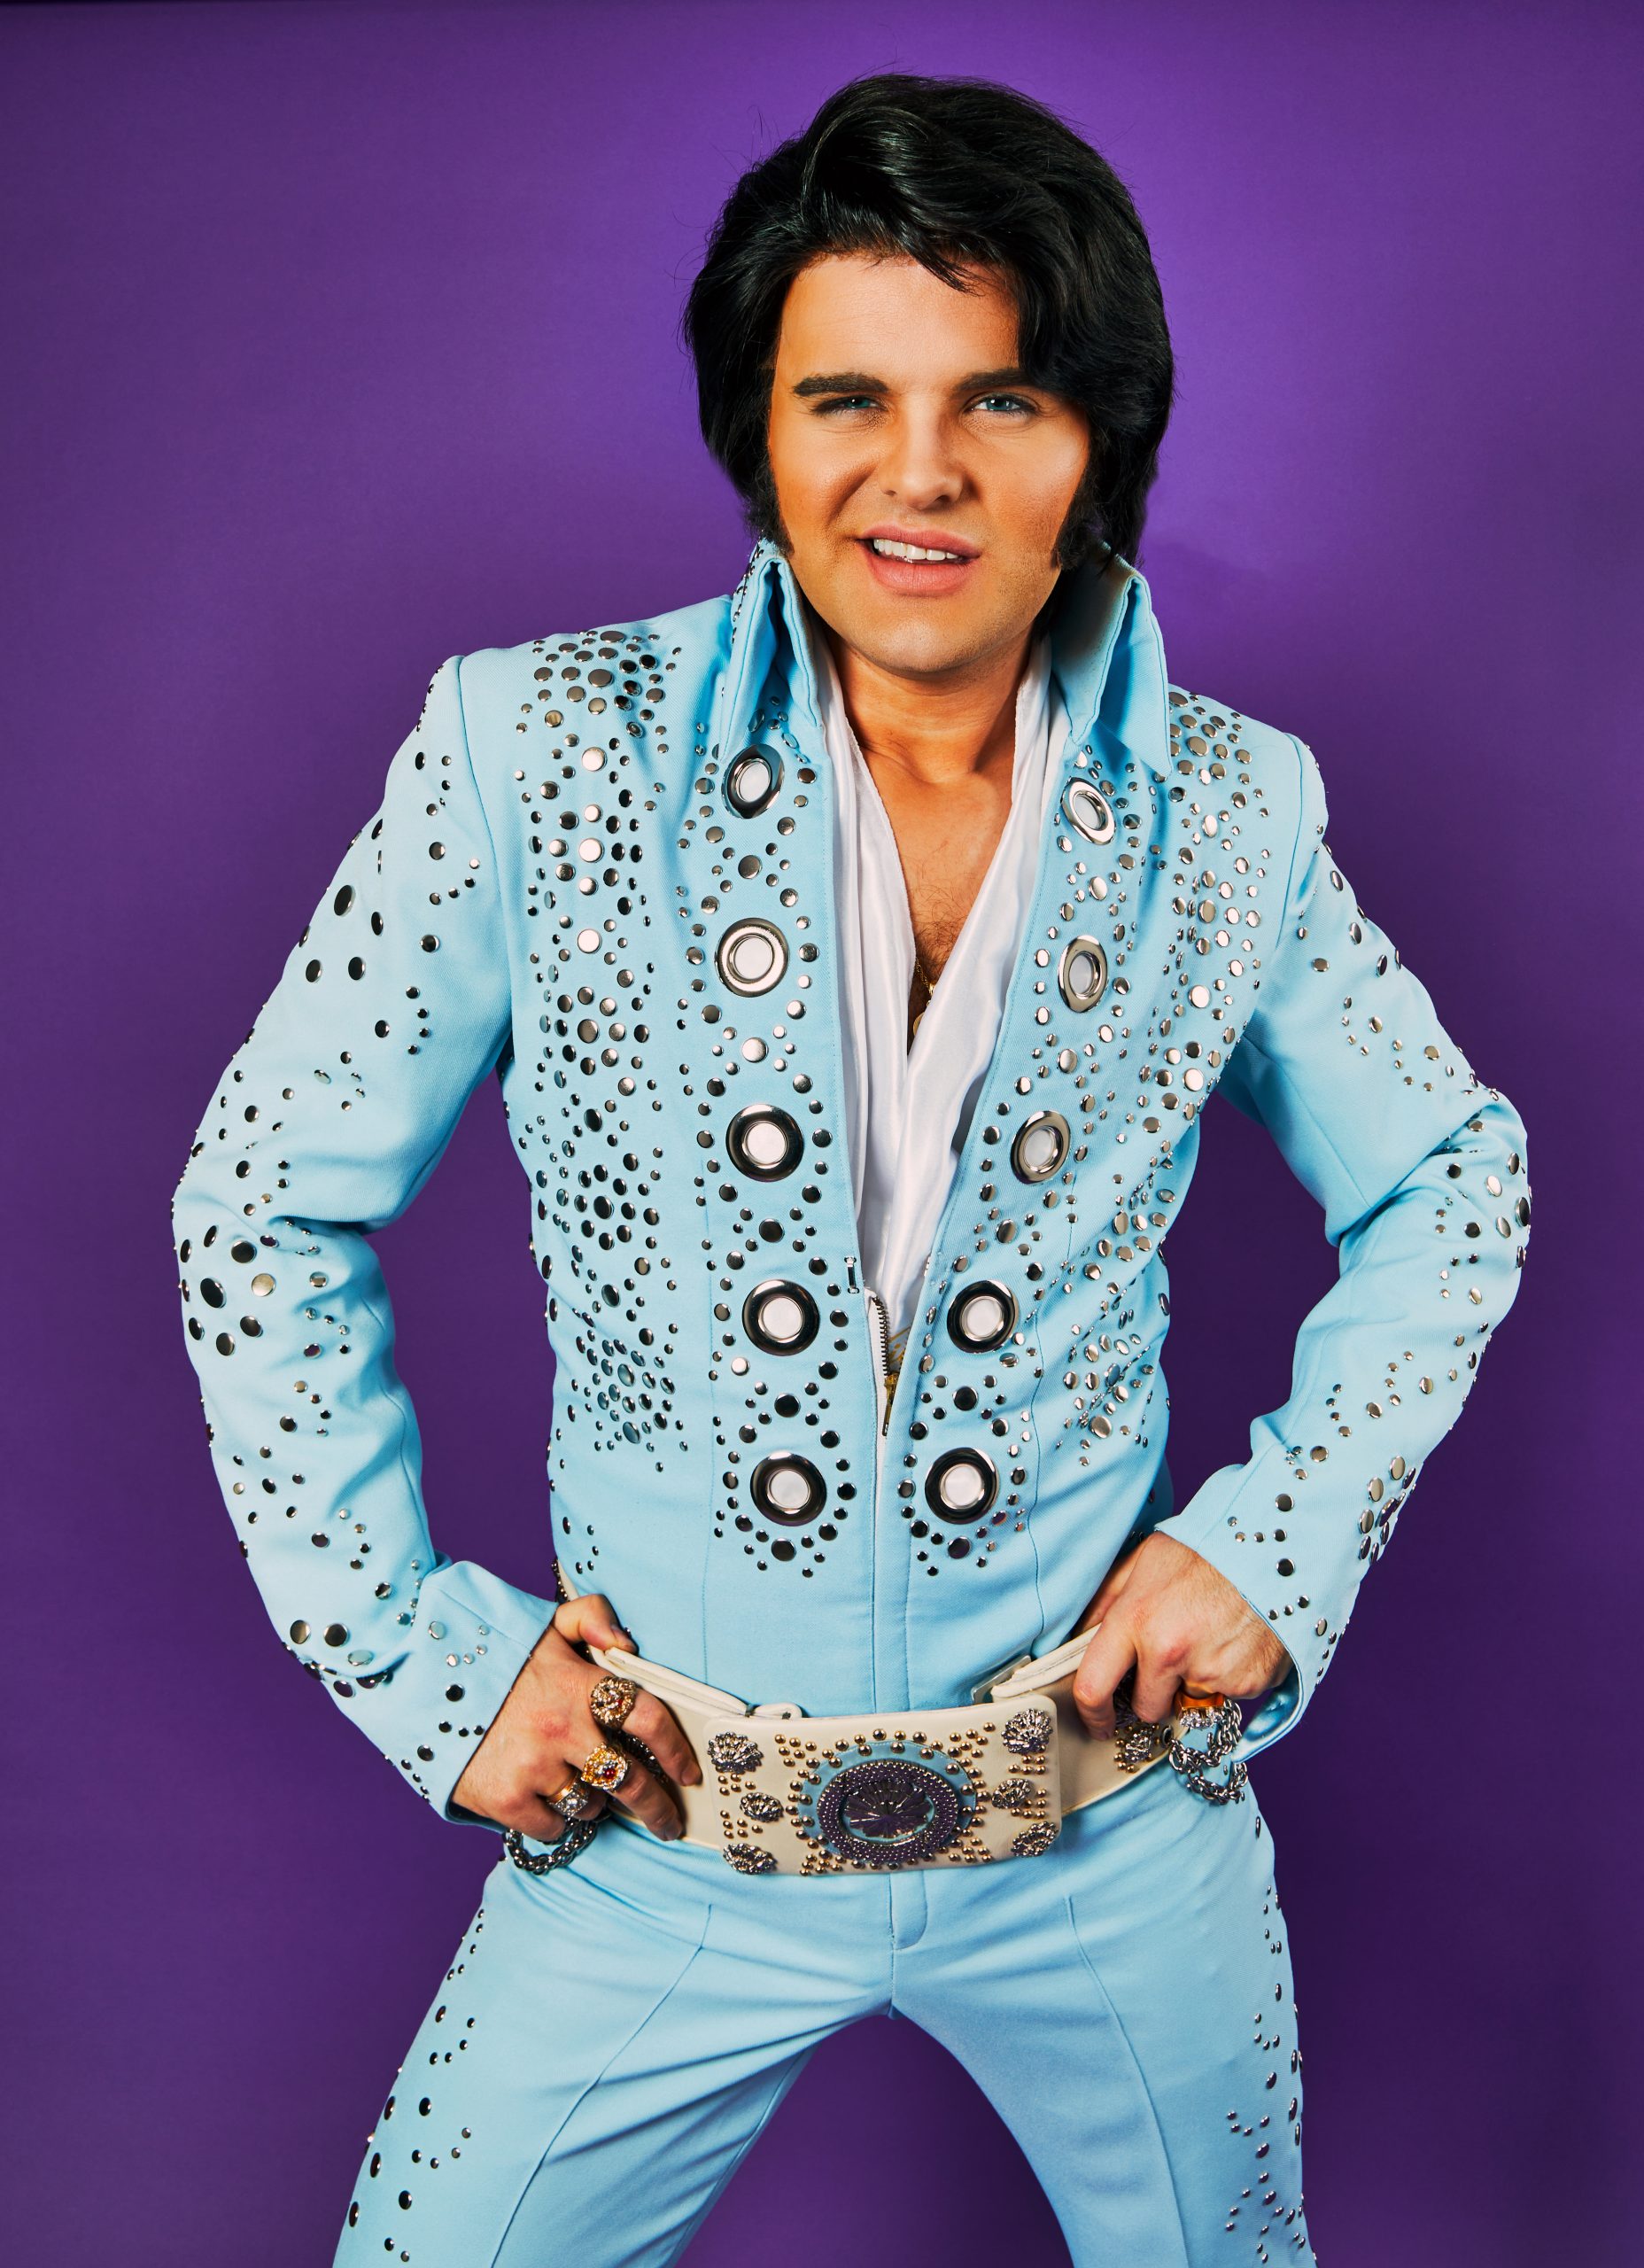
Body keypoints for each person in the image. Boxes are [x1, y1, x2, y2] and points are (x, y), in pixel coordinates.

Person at [170, 70, 1532, 2268]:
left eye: (1000, 396)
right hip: (661, 1830)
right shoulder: (538, 753)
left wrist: (1276, 1545)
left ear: (1094, 442)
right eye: (848, 399)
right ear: (764, 431)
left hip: (1108, 1834)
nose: (921, 471)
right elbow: (260, 1192)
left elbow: (1454, 1174)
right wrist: (422, 1660)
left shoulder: (1232, 811)